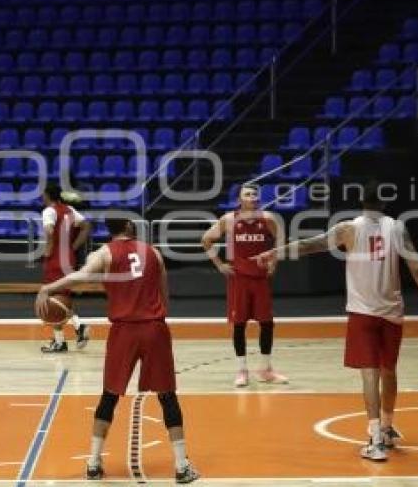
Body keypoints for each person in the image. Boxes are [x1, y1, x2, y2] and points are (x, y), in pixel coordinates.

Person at [253, 180, 418, 462]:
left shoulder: (348, 228)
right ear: (384, 205)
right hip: (392, 312)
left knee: (369, 373)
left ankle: (375, 438)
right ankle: (387, 427)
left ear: (362, 204)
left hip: (363, 312)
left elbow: (309, 246)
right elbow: (417, 266)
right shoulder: (397, 228)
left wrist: (274, 252)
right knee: (389, 370)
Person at [35, 215, 199, 483]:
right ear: (131, 228)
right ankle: (181, 467)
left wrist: (50, 287)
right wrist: (154, 314)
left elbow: (82, 276)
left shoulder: (105, 253)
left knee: (109, 396)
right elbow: (164, 294)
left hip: (123, 330)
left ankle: (93, 463)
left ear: (110, 232)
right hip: (154, 328)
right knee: (167, 396)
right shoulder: (153, 253)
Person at [201, 183, 287, 387]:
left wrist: (274, 261)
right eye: (248, 194)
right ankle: (242, 370)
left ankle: (265, 369)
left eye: (255, 193)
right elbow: (205, 240)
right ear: (239, 200)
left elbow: (281, 240)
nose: (253, 196)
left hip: (260, 280)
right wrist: (220, 265)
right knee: (238, 325)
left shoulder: (268, 219)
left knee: (267, 324)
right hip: (239, 280)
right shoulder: (229, 220)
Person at [40, 184, 91, 353]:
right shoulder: (69, 209)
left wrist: (49, 247)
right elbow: (86, 226)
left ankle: (79, 326)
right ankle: (60, 341)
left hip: (55, 258)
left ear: (47, 196)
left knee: (53, 298)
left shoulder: (49, 211)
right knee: (61, 296)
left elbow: (48, 230)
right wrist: (73, 247)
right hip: (68, 256)